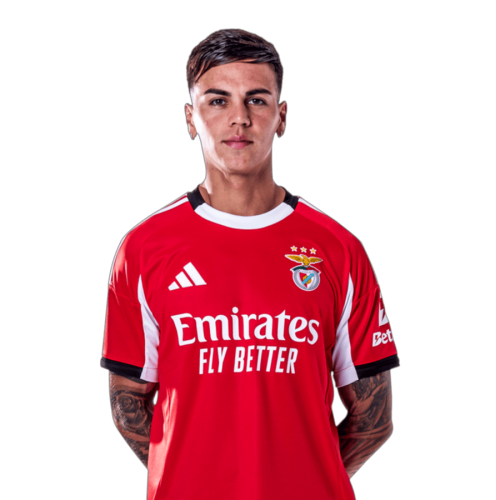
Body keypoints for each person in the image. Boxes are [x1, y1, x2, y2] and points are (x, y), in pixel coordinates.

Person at [101, 28, 400, 500]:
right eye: (218, 101)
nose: (239, 118)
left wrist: (306, 483)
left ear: (281, 117)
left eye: (256, 100)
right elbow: (127, 405)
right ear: (191, 118)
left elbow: (374, 418)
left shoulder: (339, 248)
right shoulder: (143, 248)